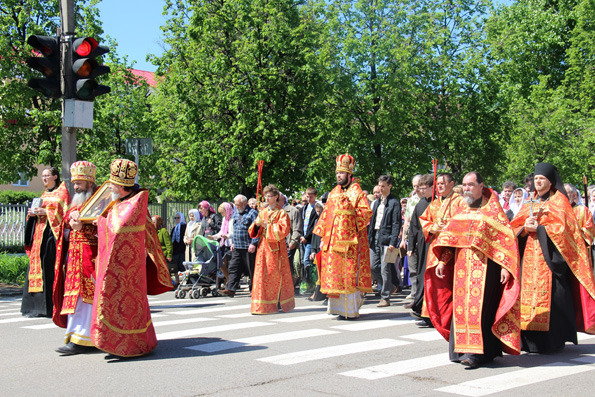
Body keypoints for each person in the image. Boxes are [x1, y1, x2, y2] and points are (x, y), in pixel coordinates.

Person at [426, 171, 521, 369]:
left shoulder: (492, 210)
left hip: (487, 270)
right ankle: (462, 350)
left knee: (480, 312)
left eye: (470, 184)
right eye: (465, 185)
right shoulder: (461, 209)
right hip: (461, 269)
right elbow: (450, 240)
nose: (467, 188)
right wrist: (443, 261)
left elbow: (505, 242)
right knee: (461, 310)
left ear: (481, 185)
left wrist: (505, 266)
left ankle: (476, 354)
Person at [91, 159, 172, 357]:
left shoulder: (133, 204)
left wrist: (100, 222)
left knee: (127, 308)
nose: (109, 186)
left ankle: (134, 344)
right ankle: (115, 342)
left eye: (111, 183)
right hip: (120, 268)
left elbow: (118, 229)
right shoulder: (119, 203)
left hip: (128, 270)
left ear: (120, 186)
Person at [510, 163, 595, 353]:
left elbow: (564, 232)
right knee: (526, 297)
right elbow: (513, 228)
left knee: (554, 298)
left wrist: (539, 229)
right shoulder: (529, 202)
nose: (538, 182)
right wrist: (524, 229)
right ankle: (528, 339)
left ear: (550, 182)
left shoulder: (559, 202)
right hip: (529, 258)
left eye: (542, 179)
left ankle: (551, 341)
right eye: (536, 179)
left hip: (551, 260)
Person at [313, 153, 373, 319]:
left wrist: (348, 214)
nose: (339, 175)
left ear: (349, 174)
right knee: (335, 276)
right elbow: (325, 215)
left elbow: (366, 214)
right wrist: (323, 239)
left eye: (342, 173)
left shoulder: (357, 193)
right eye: (337, 173)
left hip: (350, 243)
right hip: (332, 242)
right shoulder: (333, 193)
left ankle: (350, 310)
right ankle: (337, 309)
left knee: (348, 275)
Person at [54, 161, 98, 355]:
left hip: (91, 257)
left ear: (90, 183)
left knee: (86, 298)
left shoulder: (98, 203)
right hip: (73, 258)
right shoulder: (74, 205)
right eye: (75, 183)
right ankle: (74, 336)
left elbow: (106, 229)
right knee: (74, 298)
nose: (76, 186)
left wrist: (84, 227)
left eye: (80, 182)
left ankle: (85, 339)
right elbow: (63, 228)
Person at [414, 173, 466, 323]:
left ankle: (446, 317)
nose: (440, 186)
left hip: (451, 249)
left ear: (451, 184)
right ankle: (431, 316)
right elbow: (424, 220)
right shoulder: (436, 203)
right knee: (433, 284)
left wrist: (448, 227)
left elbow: (461, 225)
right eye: (438, 184)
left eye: (443, 184)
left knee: (447, 285)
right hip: (435, 249)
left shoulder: (459, 202)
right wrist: (432, 228)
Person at [22, 166, 70, 318]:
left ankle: (49, 308)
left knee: (48, 268)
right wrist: (33, 214)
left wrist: (46, 212)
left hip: (52, 236)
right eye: (42, 176)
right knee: (36, 269)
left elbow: (65, 214)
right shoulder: (43, 194)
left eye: (47, 175)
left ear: (55, 176)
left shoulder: (62, 192)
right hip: (39, 235)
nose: (44, 178)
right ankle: (34, 307)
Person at [248, 185, 295, 314]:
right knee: (261, 275)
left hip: (275, 249)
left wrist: (267, 226)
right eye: (266, 196)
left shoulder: (281, 213)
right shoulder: (262, 212)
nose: (267, 199)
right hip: (262, 247)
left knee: (274, 274)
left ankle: (276, 301)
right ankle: (261, 303)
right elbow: (254, 231)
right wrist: (257, 225)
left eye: (270, 196)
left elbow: (283, 230)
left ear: (276, 197)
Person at [368, 174, 402, 307]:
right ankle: (391, 285)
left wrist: (393, 242)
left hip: (387, 239)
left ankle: (385, 297)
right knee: (373, 266)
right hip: (375, 237)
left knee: (385, 268)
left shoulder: (394, 202)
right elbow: (372, 222)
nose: (381, 189)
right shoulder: (376, 203)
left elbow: (396, 223)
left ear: (389, 186)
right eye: (379, 186)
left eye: (383, 186)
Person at [405, 174, 434, 314]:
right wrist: (411, 246)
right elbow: (413, 227)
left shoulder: (437, 203)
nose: (422, 191)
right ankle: (419, 302)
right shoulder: (420, 204)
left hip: (434, 243)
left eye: (425, 188)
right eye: (420, 188)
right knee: (420, 273)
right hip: (422, 244)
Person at [220, 195, 259, 297]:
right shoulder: (236, 213)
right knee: (234, 268)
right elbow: (235, 228)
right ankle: (230, 289)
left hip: (248, 246)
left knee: (252, 269)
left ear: (244, 203)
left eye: (238, 204)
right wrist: (233, 242)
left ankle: (254, 289)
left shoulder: (252, 213)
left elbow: (256, 230)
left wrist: (253, 243)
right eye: (236, 204)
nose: (236, 206)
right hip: (237, 245)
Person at [400, 174, 421, 300]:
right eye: (414, 186)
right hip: (411, 237)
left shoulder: (432, 199)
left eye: (419, 186)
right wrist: (403, 239)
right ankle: (414, 293)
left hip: (423, 237)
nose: (417, 189)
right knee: (412, 267)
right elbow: (406, 221)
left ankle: (422, 293)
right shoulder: (411, 201)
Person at [209, 202, 234, 287]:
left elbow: (233, 232)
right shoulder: (225, 219)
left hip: (231, 243)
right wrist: (214, 237)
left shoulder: (233, 219)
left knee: (231, 265)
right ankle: (229, 280)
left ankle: (231, 283)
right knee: (222, 264)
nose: (222, 214)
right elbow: (221, 231)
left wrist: (227, 236)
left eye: (223, 212)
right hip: (224, 243)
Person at [299, 187, 319, 294]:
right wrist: (302, 236)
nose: (309, 199)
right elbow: (301, 224)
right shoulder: (304, 209)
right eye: (307, 196)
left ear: (315, 196)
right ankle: (307, 282)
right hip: (303, 238)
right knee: (303, 261)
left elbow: (314, 226)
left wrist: (306, 237)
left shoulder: (316, 209)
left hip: (310, 239)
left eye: (311, 197)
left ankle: (311, 282)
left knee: (307, 260)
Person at [170, 211, 186, 284]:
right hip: (175, 250)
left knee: (182, 266)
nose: (176, 219)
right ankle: (177, 282)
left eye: (178, 218)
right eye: (175, 218)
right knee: (176, 268)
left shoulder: (184, 227)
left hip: (182, 250)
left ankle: (184, 281)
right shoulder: (174, 228)